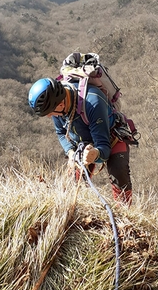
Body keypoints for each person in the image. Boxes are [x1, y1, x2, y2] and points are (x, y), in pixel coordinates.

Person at [28, 77, 133, 205]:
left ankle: (124, 211)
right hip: (83, 142)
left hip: (112, 135)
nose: (50, 116)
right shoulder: (57, 108)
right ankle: (75, 209)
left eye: (50, 112)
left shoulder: (92, 102)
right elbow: (61, 133)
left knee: (119, 172)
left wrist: (95, 154)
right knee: (72, 182)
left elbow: (104, 148)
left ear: (60, 103)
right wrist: (71, 152)